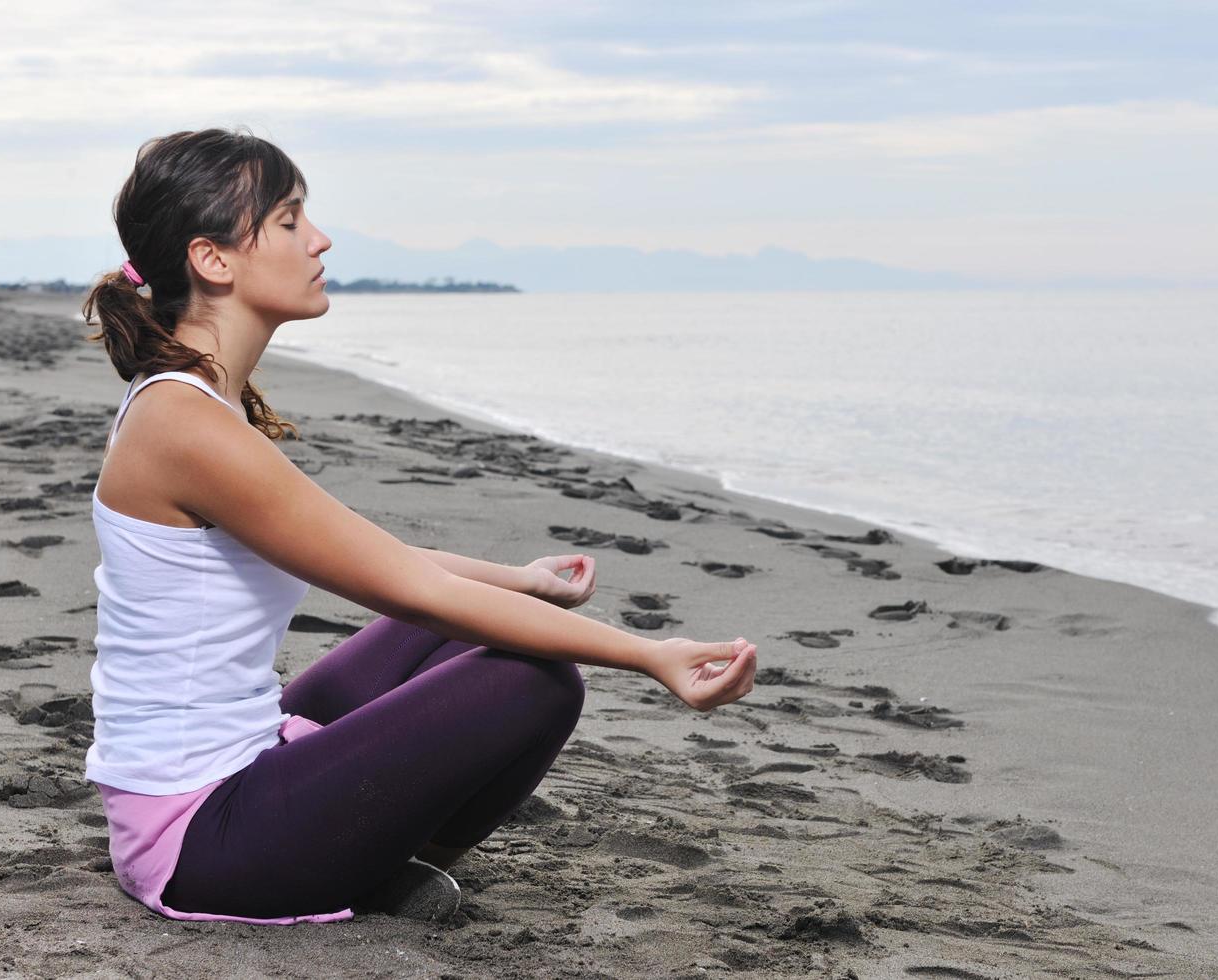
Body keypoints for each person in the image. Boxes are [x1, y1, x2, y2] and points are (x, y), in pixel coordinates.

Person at [79, 127, 759, 926]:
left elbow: (385, 561)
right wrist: (652, 656)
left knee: (442, 635)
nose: (320, 238)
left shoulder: (192, 402)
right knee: (533, 678)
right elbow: (415, 586)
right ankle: (372, 872)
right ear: (214, 259)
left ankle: (367, 859)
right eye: (291, 219)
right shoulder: (184, 424)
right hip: (200, 840)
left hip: (235, 770)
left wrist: (523, 582)